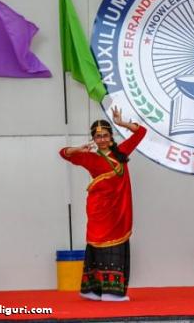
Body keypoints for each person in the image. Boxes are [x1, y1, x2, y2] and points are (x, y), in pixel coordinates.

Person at [59, 107, 146, 301]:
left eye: (105, 135)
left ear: (111, 137)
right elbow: (63, 153)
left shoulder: (121, 152)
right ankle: (101, 291)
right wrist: (78, 149)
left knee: (114, 244)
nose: (102, 139)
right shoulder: (89, 158)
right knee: (98, 244)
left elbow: (141, 132)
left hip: (119, 209)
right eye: (98, 137)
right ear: (93, 139)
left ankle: (104, 291)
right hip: (99, 209)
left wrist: (121, 123)